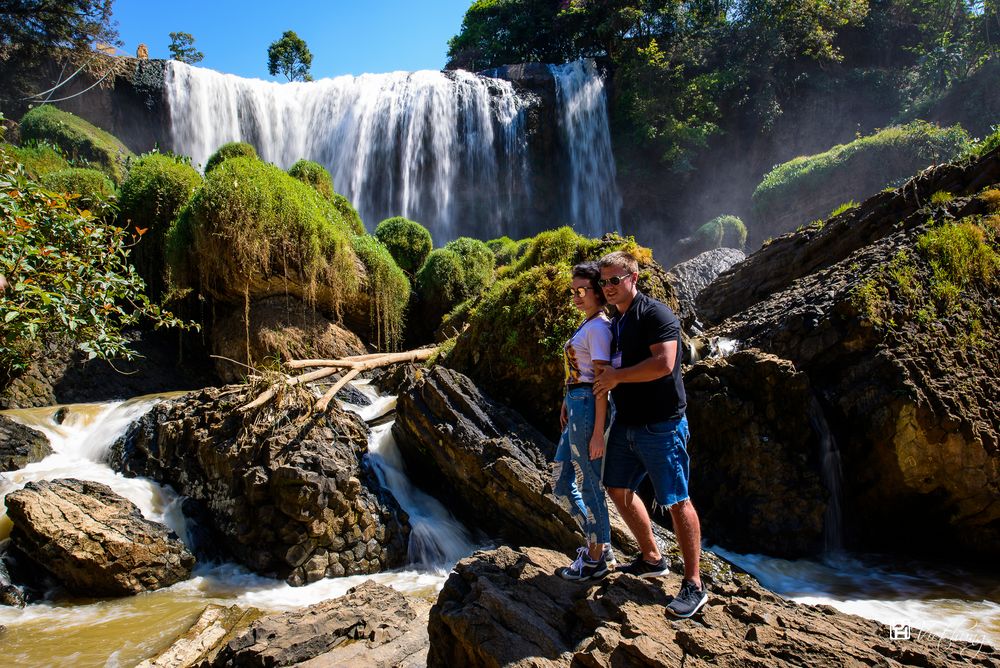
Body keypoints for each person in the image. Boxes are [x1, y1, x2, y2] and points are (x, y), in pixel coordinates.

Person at [592, 250, 708, 618]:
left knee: (676, 499)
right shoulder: (618, 320)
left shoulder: (655, 313)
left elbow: (664, 363)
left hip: (662, 424)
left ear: (634, 277)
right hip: (627, 423)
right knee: (617, 488)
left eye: (615, 280)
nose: (608, 287)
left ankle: (694, 584)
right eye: (603, 282)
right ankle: (652, 557)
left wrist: (616, 378)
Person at [552, 262, 613, 582]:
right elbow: (583, 371)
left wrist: (599, 432)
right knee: (561, 482)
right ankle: (599, 542)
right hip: (577, 403)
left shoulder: (600, 327)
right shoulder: (588, 324)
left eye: (582, 291)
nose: (576, 296)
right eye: (572, 291)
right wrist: (566, 397)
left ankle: (595, 556)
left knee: (588, 481)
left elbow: (602, 380)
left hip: (589, 406)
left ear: (598, 292)